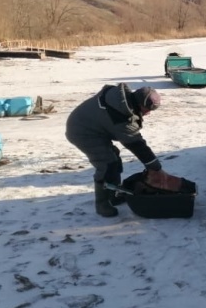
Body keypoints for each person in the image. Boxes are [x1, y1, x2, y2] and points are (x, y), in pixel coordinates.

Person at [65, 83, 185, 217]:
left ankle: (113, 194)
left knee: (114, 158)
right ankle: (102, 203)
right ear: (139, 103)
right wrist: (156, 168)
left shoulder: (121, 100)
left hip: (91, 125)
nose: (148, 113)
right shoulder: (120, 115)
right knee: (106, 164)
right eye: (147, 109)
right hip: (82, 132)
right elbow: (137, 145)